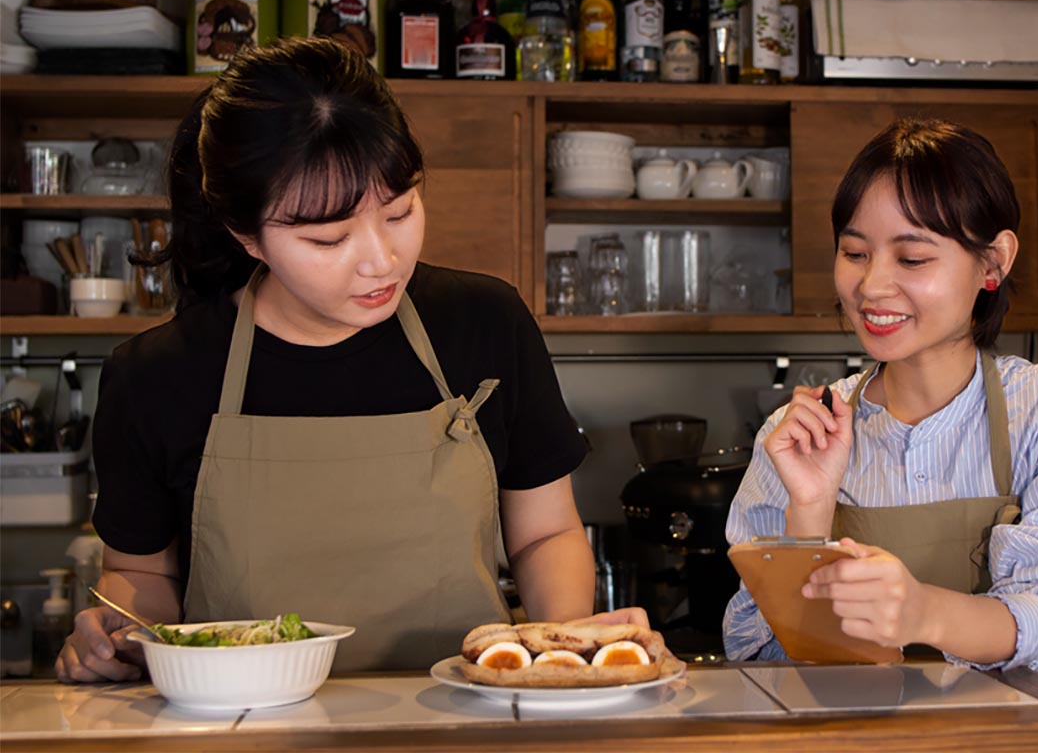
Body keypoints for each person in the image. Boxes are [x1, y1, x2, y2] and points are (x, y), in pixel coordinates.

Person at [57, 37, 640, 682]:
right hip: (241, 724)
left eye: (400, 211)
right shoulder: (158, 373)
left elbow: (543, 534)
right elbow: (140, 571)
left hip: (464, 720)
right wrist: (121, 632)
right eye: (328, 237)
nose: (380, 262)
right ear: (245, 233)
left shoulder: (484, 323)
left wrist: (565, 648)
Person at [723, 118, 1038, 690]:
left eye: (912, 258)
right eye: (854, 252)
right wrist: (810, 518)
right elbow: (765, 659)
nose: (871, 286)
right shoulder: (797, 434)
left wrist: (922, 612)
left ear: (993, 262)